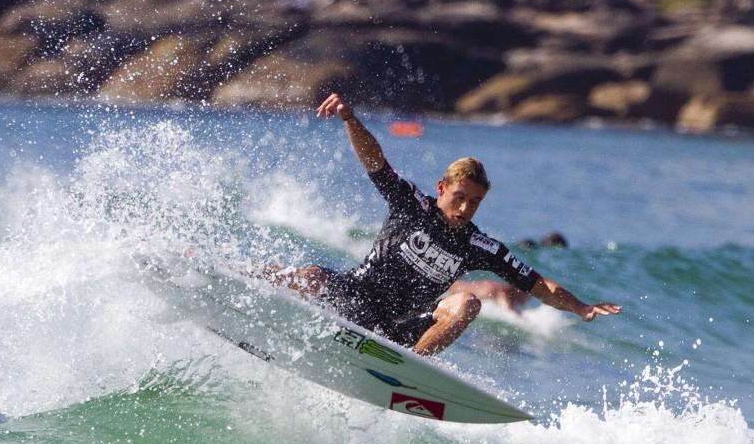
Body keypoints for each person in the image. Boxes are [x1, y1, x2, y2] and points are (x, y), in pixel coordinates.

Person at [263, 92, 620, 356]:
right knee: (310, 276)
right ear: (441, 189)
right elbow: (375, 161)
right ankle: (224, 276)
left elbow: (536, 283)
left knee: (467, 303)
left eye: (475, 202)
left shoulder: (478, 246)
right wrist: (350, 119)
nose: (465, 208)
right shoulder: (411, 204)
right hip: (356, 297)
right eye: (459, 197)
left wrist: (578, 306)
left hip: (400, 328)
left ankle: (406, 369)